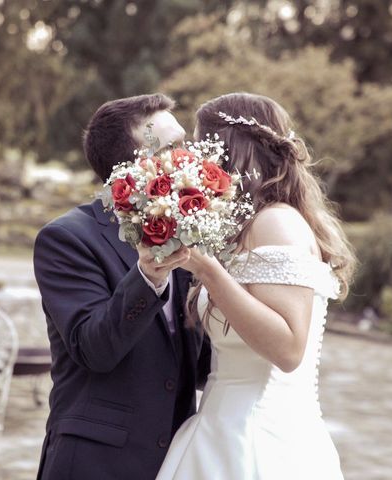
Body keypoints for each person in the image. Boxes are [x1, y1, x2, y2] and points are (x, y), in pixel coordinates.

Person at [156, 92, 356, 479]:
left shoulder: (277, 223)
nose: (196, 159)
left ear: (230, 149)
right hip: (218, 431)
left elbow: (287, 349)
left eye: (201, 145)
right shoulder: (250, 227)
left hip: (258, 439)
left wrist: (208, 270)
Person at [33, 93, 211, 479]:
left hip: (176, 461)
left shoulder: (189, 232)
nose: (191, 159)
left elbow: (200, 366)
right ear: (135, 165)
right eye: (174, 148)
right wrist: (149, 276)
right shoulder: (66, 239)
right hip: (95, 464)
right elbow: (94, 349)